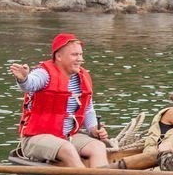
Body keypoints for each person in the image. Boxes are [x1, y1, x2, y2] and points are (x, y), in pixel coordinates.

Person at [9, 33, 109, 167]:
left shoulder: (83, 77)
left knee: (98, 147)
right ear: (59, 56)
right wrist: (24, 78)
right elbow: (31, 84)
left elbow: (88, 109)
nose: (80, 59)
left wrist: (93, 129)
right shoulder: (44, 74)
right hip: (36, 138)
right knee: (67, 149)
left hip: (67, 136)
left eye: (80, 55)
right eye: (74, 55)